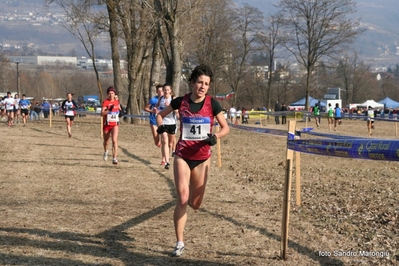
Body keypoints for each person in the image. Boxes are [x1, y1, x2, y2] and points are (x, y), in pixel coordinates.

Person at [156, 64, 229, 257]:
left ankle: (190, 202)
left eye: (206, 84)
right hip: (183, 155)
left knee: (195, 204)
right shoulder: (181, 102)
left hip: (203, 159)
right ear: (192, 83)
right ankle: (179, 242)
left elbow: (225, 128)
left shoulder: (213, 104)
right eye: (200, 82)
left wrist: (216, 137)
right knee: (182, 198)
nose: (203, 86)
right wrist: (162, 128)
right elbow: (159, 115)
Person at [156, 83, 178, 169]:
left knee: (170, 143)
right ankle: (167, 162)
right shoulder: (161, 98)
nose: (166, 91)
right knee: (164, 140)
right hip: (163, 122)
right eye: (164, 90)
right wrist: (155, 109)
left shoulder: (173, 99)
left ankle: (169, 155)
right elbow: (157, 106)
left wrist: (171, 107)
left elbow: (177, 111)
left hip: (172, 122)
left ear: (170, 91)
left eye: (167, 90)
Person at [101, 86, 122, 165]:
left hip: (115, 124)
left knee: (114, 140)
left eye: (112, 93)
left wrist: (120, 110)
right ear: (107, 94)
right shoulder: (105, 102)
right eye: (109, 93)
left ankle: (114, 158)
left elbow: (121, 111)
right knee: (106, 142)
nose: (111, 95)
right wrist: (109, 110)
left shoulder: (117, 102)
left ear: (114, 94)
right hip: (107, 124)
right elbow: (102, 113)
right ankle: (106, 151)